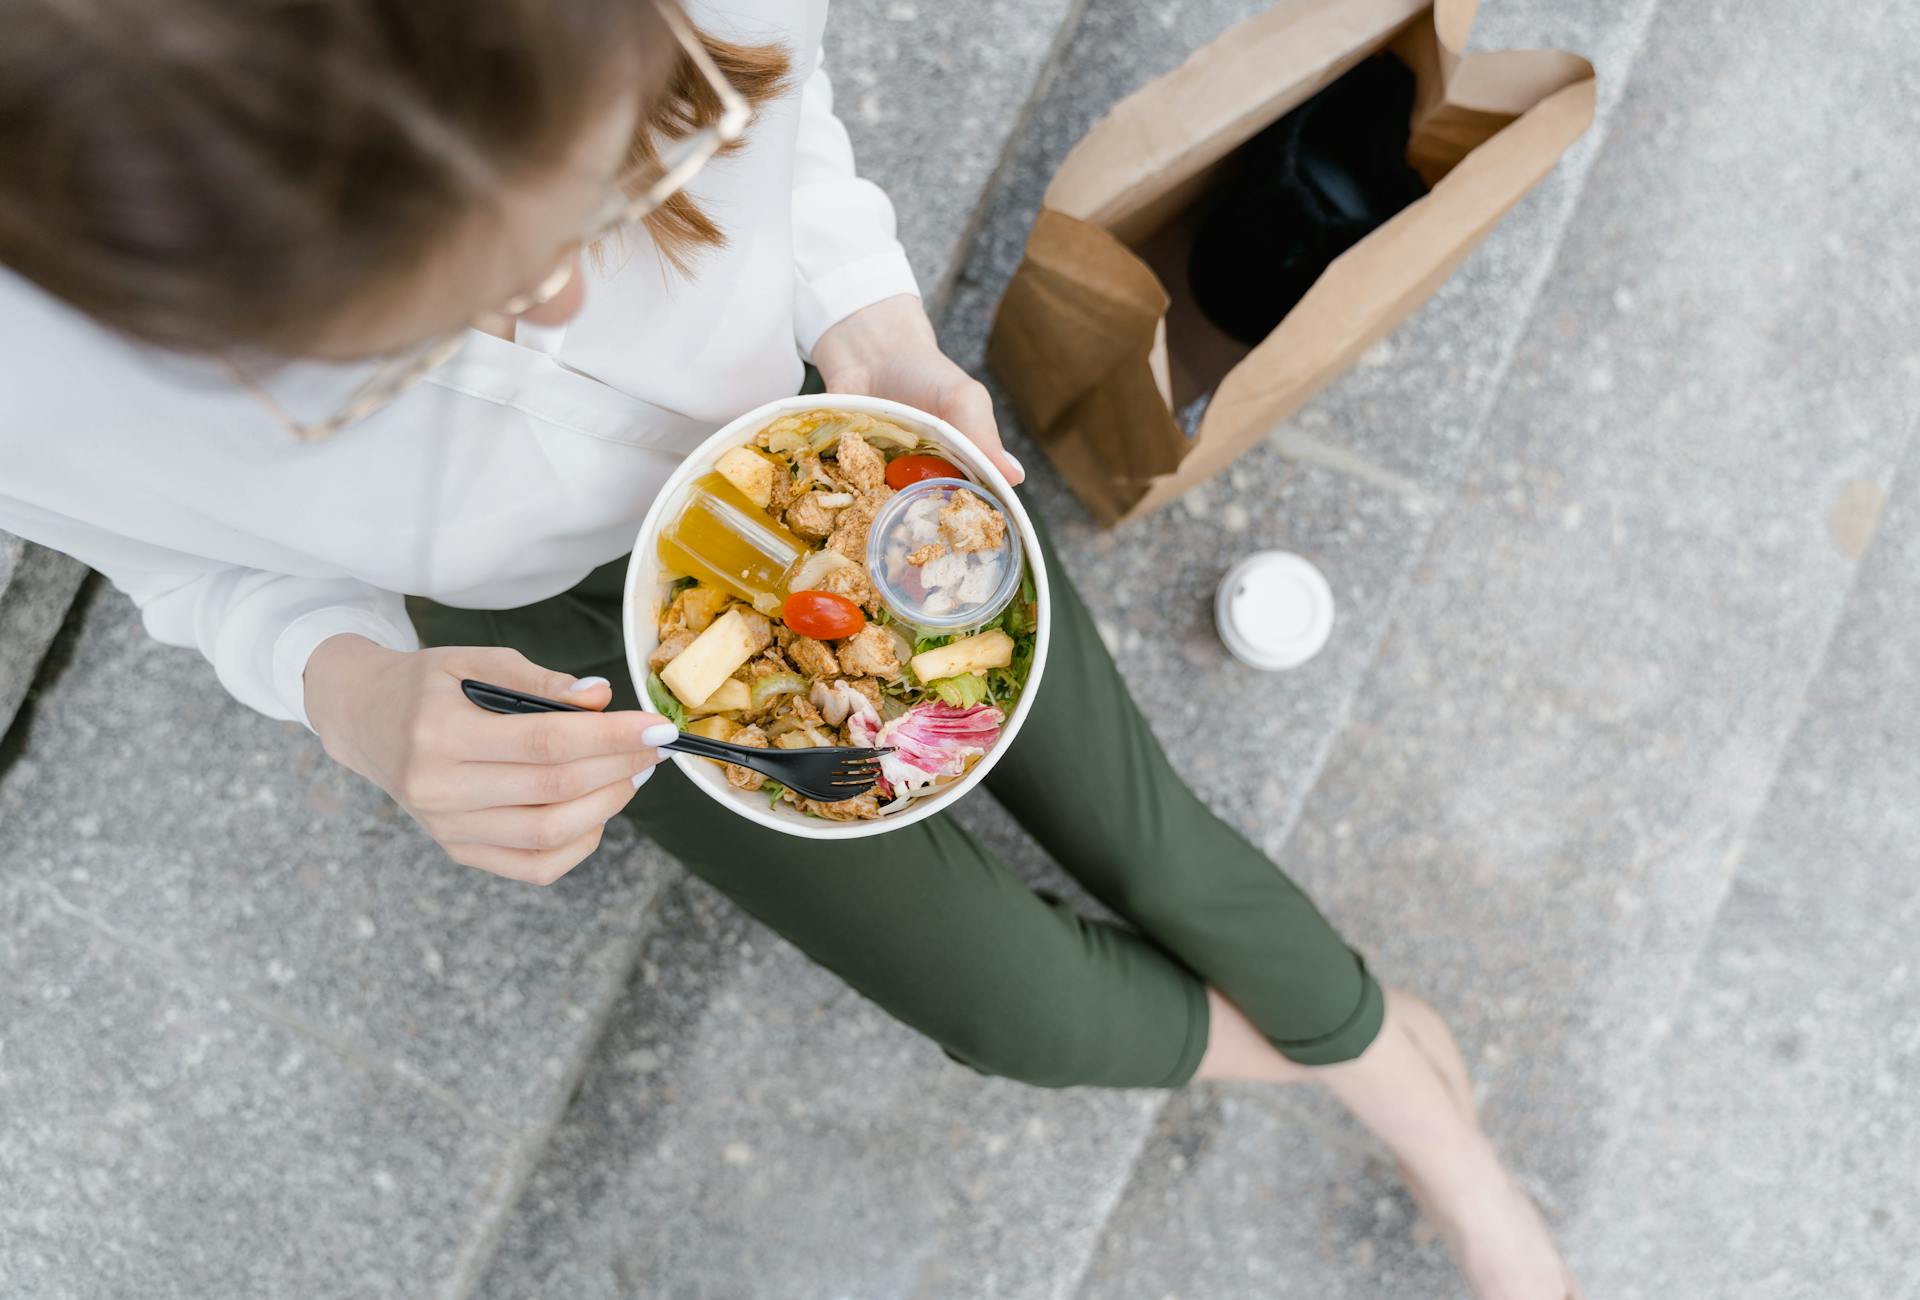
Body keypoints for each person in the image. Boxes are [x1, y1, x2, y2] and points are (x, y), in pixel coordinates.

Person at [0, 1, 1577, 1295]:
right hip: (553, 628)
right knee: (1017, 1012)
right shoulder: (40, 383)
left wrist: (879, 331)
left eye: (612, 169)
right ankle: (1350, 1047)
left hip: (827, 460)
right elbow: (167, 545)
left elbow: (790, 125)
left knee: (1150, 839)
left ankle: (1427, 1128)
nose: (562, 292)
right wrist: (350, 694)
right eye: (420, 328)